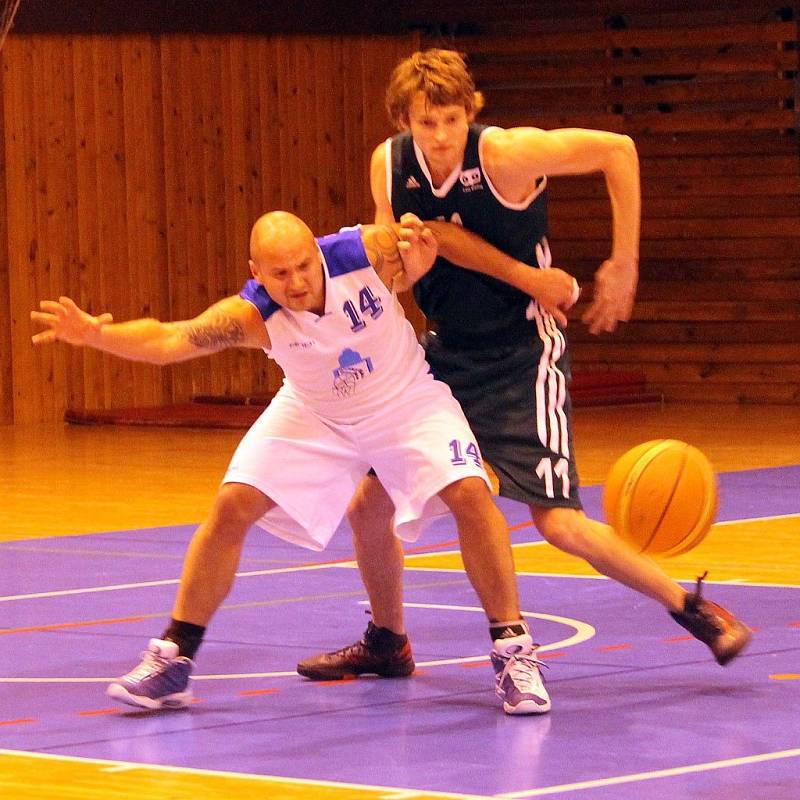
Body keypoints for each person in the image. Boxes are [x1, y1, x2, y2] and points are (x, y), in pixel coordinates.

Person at [296, 49, 751, 698]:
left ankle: (692, 609)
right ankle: (387, 641)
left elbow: (618, 150)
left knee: (559, 525)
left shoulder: (506, 154)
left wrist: (624, 262)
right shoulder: (389, 165)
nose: (443, 136)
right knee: (368, 504)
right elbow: (401, 262)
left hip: (520, 351)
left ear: (471, 112)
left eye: (452, 119)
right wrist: (390, 292)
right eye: (427, 123)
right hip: (445, 352)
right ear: (405, 121)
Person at [31, 210, 579, 715]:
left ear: (318, 254)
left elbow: (429, 233)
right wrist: (97, 336)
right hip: (317, 412)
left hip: (405, 400)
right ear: (256, 273)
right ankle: (174, 656)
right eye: (278, 274)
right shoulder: (254, 315)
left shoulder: (365, 251)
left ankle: (514, 651)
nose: (295, 283)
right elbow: (173, 339)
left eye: (302, 267)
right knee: (232, 504)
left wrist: (423, 256)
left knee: (468, 492)